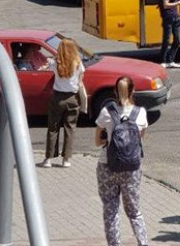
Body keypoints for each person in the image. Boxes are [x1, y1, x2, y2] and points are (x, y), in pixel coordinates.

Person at [94, 77, 149, 246]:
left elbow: (97, 142)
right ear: (133, 91)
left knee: (110, 211)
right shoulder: (141, 113)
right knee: (134, 211)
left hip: (107, 166)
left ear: (115, 92)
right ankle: (143, 242)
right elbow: (139, 139)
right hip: (131, 168)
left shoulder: (106, 112)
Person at [42, 38, 85, 168]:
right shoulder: (78, 63)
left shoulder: (56, 63)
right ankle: (66, 159)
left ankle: (48, 158)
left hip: (57, 98)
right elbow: (80, 80)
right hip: (73, 98)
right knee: (70, 128)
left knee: (53, 128)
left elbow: (46, 66)